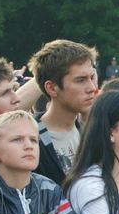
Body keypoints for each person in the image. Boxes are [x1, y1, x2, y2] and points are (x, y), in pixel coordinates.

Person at [28, 40, 99, 185]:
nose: (92, 88)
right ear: (52, 88)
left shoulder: (91, 135)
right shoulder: (29, 138)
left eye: (92, 78)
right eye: (80, 80)